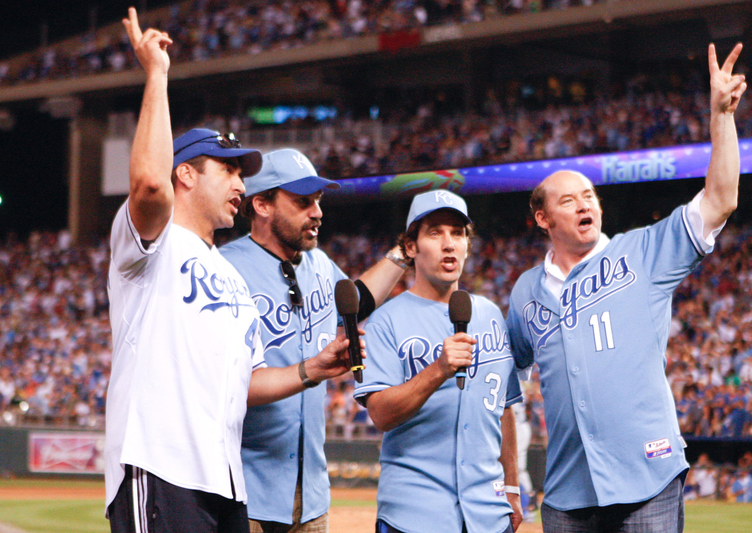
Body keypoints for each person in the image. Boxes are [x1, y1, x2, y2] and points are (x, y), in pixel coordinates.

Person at [106, 9, 356, 533]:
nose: (242, 183)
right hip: (160, 467)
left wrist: (315, 367)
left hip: (226, 481)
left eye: (243, 172)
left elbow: (249, 382)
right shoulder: (154, 242)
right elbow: (150, 187)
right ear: (187, 173)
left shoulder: (231, 277)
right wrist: (156, 74)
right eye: (230, 170)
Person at [505, 43, 747, 532]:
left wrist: (721, 116)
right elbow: (509, 387)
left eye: (588, 196)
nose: (582, 205)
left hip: (647, 479)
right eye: (568, 200)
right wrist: (510, 479)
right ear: (542, 218)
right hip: (567, 493)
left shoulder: (642, 253)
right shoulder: (525, 293)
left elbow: (720, 199)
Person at [220, 148, 407, 532]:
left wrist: (403, 253)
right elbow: (222, 383)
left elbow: (359, 300)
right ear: (262, 205)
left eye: (318, 201)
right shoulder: (225, 268)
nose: (317, 212)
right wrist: (311, 368)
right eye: (303, 202)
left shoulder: (319, 264)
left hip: (311, 495)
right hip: (245, 489)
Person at [354, 190, 524, 533]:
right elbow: (381, 414)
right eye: (435, 232)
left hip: (488, 514)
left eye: (458, 233)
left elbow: (504, 407)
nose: (449, 243)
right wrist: (437, 371)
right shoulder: (386, 320)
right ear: (411, 247)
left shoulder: (490, 314)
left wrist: (511, 486)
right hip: (414, 515)